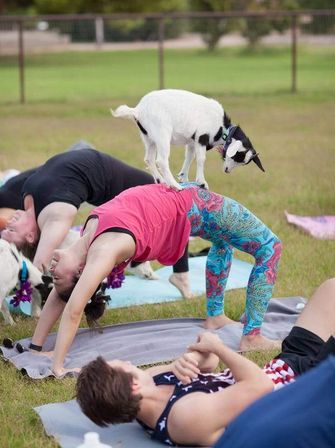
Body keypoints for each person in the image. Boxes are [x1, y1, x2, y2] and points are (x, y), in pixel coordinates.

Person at [29, 181, 281, 376]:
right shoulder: (103, 252)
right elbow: (73, 308)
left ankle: (215, 317)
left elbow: (62, 294)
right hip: (191, 204)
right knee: (270, 246)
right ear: (80, 272)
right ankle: (252, 336)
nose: (52, 272)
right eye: (57, 278)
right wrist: (58, 366)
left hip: (179, 196)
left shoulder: (87, 238)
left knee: (222, 239)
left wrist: (36, 347)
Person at [76, 278, 335, 447]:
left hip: (285, 367)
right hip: (303, 391)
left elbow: (208, 362)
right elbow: (261, 386)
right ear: (133, 386)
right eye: (123, 364)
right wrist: (219, 348)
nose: (129, 361)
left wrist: (193, 357)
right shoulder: (185, 418)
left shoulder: (151, 383)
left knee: (330, 290)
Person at [0, 146, 191, 296]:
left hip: (106, 175)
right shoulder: (55, 217)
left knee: (169, 208)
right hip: (112, 184)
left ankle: (147, 264)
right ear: (31, 236)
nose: (9, 222)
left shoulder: (27, 197)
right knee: (174, 206)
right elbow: (40, 269)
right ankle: (179, 274)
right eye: (11, 230)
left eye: (6, 228)